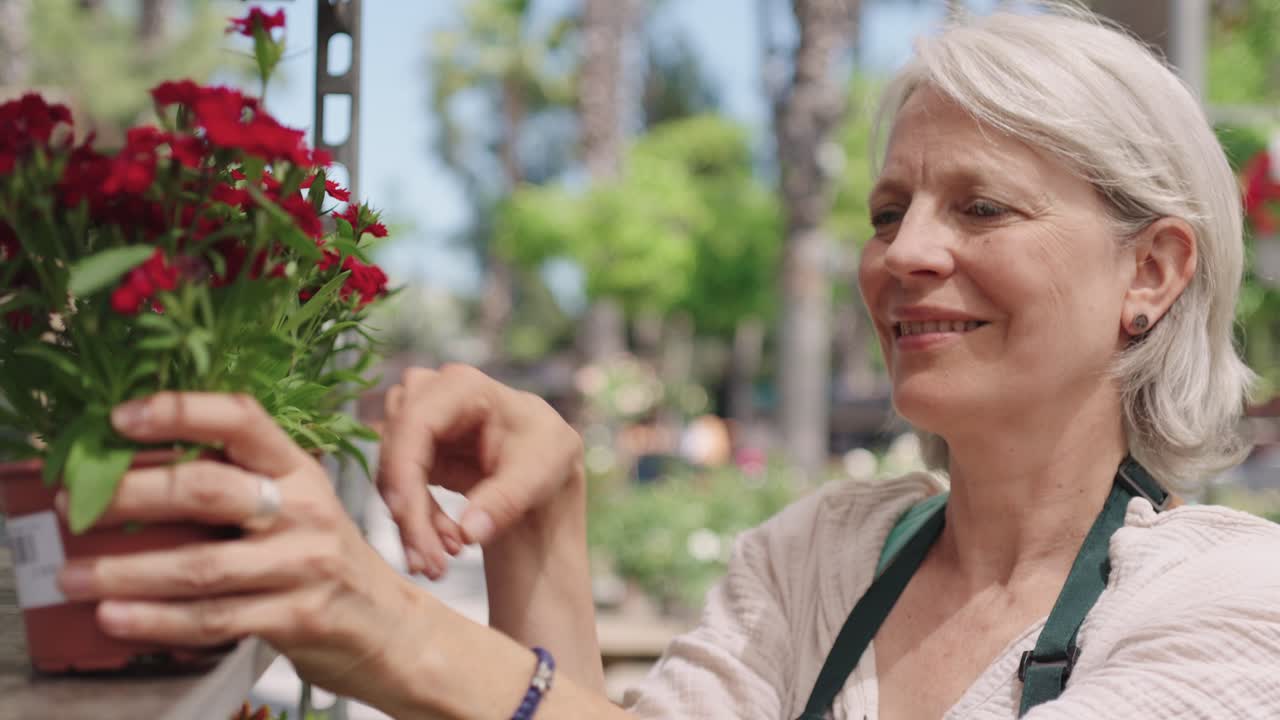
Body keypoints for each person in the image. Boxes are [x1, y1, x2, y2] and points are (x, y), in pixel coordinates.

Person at [55, 4, 1280, 718]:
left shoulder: (1229, 608)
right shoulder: (823, 556)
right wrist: (543, 513)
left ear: (1151, 272)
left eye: (982, 210)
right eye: (885, 209)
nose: (902, 253)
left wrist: (399, 637)